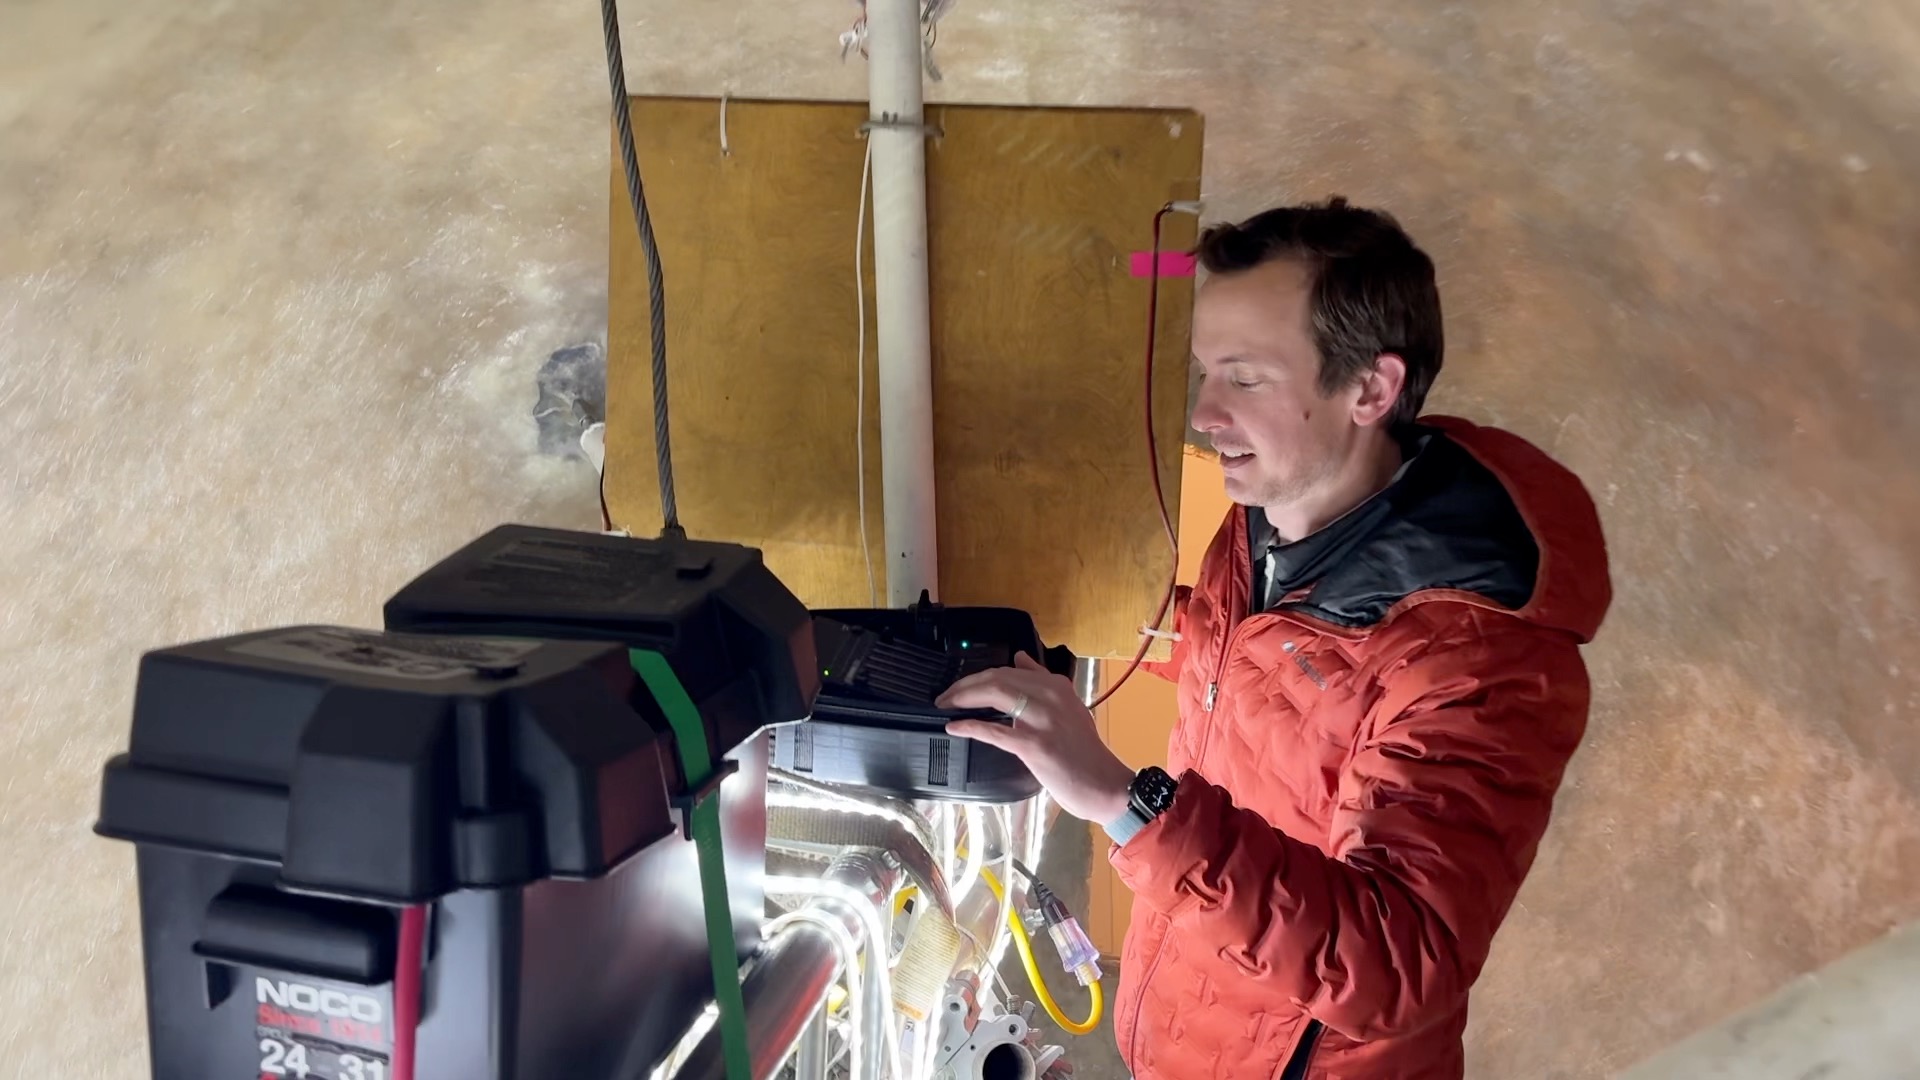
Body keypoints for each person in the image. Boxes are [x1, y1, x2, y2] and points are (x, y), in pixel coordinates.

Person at [938, 197, 1612, 1080]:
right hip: (1186, 1022)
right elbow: (1267, 677)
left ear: (1370, 389)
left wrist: (1120, 799)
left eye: (1245, 379)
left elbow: (1398, 962)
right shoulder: (1275, 517)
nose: (1206, 414)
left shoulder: (1474, 658)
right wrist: (1099, 610)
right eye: (1206, 373)